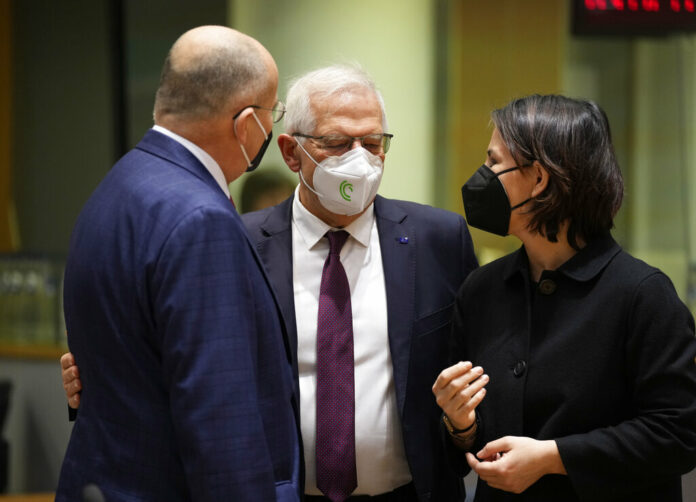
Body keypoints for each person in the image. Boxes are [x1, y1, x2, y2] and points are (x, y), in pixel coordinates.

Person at [62, 64, 479, 501]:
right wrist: (99, 377)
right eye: (337, 143)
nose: (359, 159)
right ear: (292, 152)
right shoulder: (235, 240)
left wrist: (465, 430)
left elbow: (474, 373)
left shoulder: (439, 240)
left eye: (372, 143)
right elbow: (193, 368)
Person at [56, 26, 302, 502]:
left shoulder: (119, 183)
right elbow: (219, 421)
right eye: (274, 113)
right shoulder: (202, 219)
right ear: (247, 121)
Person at [432, 94, 696, 501]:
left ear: (539, 179)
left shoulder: (642, 295)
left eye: (495, 163)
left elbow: (679, 434)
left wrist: (554, 457)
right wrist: (460, 424)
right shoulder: (482, 290)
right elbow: (464, 449)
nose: (481, 175)